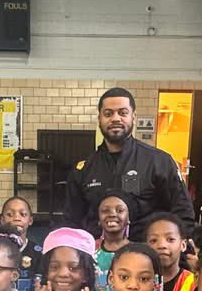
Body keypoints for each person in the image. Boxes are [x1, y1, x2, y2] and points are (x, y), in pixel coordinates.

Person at [65, 87, 194, 240]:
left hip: (145, 253)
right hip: (97, 255)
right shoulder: (84, 169)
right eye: (108, 113)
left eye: (122, 113)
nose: (115, 118)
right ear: (99, 118)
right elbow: (72, 221)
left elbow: (183, 214)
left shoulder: (159, 162)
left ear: (133, 117)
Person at [1, 196, 43, 291]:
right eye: (10, 214)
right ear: (2, 220)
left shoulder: (38, 253)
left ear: (30, 220)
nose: (16, 218)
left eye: (23, 214)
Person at [93, 190, 133, 291]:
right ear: (98, 219)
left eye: (119, 210)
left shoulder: (138, 252)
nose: (112, 214)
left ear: (128, 218)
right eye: (105, 211)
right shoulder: (90, 250)